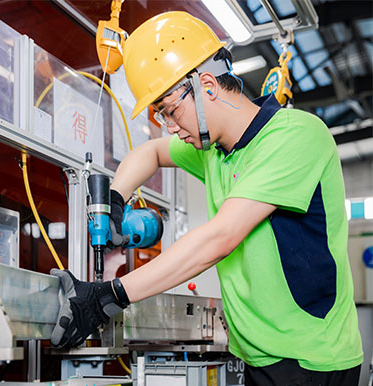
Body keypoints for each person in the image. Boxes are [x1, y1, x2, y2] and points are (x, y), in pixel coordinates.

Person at [50, 11, 363, 386]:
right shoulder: (215, 151)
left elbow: (219, 239)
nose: (169, 126)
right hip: (256, 354)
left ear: (208, 87)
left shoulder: (294, 137)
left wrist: (107, 297)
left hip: (311, 360)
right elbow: (149, 153)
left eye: (170, 111)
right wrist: (114, 201)